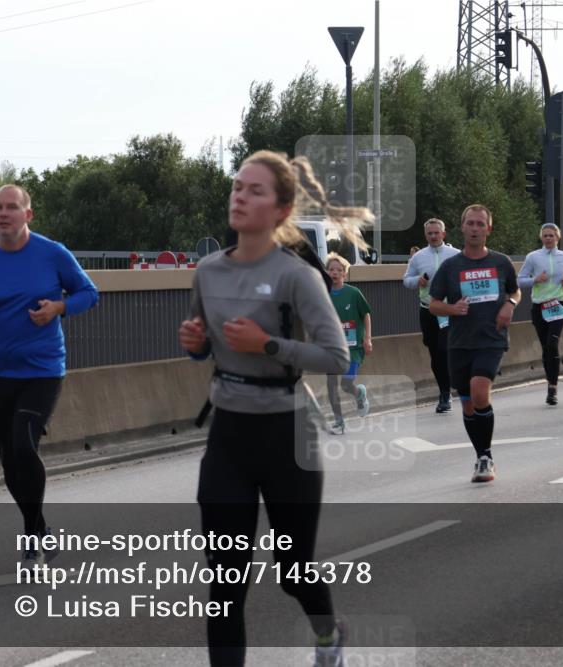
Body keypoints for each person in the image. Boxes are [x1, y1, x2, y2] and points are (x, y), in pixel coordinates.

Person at [179, 150, 364, 666]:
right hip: (229, 436)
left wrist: (268, 344)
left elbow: (335, 356)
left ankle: (329, 633)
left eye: (254, 190)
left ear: (281, 210)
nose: (240, 196)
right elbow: (206, 345)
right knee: (225, 580)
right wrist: (194, 342)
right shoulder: (208, 272)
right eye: (238, 186)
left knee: (294, 569)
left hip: (288, 435)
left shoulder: (296, 277)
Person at [0, 184, 99, 564]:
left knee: (24, 444)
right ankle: (38, 529)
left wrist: (59, 307)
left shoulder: (52, 253)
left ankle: (32, 533)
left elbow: (90, 293)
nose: (2, 214)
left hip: (42, 368)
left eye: (11, 207)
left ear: (28, 214)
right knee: (9, 461)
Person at [429, 204, 520, 483]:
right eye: (471, 223)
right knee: (468, 404)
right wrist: (451, 310)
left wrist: (511, 304)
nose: (475, 229)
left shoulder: (500, 262)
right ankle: (481, 455)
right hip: (459, 342)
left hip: (491, 339)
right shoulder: (450, 266)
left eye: (481, 224)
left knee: (480, 392)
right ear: (462, 227)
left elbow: (515, 289)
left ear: (489, 229)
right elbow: (432, 304)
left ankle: (486, 457)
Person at [517, 223, 563, 405]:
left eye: (551, 236)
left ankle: (553, 388)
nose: (548, 239)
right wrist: (535, 280)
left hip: (558, 303)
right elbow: (520, 280)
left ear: (557, 237)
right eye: (545, 236)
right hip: (539, 305)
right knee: (546, 347)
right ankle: (550, 381)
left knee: (553, 343)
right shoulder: (533, 257)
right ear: (541, 238)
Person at [403, 218, 460, 413]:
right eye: (430, 233)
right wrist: (417, 281)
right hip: (427, 310)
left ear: (443, 234)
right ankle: (445, 392)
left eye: (437, 233)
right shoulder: (418, 257)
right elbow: (406, 280)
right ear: (425, 235)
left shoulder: (455, 255)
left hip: (449, 310)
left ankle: (448, 389)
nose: (433, 236)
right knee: (435, 353)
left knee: (445, 350)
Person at [324, 252, 372, 434]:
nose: (334, 273)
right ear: (326, 272)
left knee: (346, 384)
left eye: (339, 270)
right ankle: (339, 420)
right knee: (331, 384)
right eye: (331, 269)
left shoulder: (353, 293)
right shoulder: (323, 294)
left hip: (353, 347)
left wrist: (367, 338)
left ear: (345, 273)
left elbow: (366, 315)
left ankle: (358, 394)